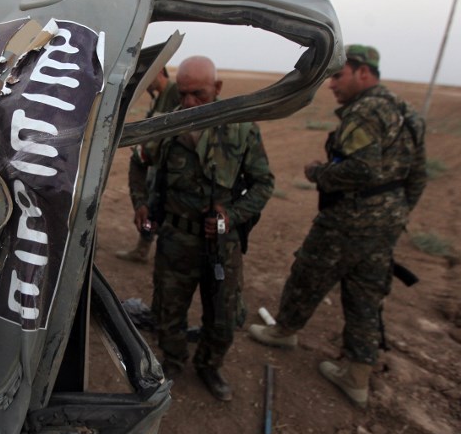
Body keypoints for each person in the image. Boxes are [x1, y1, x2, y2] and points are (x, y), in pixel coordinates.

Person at [248, 45, 427, 408]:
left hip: (348, 221)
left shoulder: (365, 111)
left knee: (309, 272)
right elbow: (418, 176)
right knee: (366, 294)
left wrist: (319, 173)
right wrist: (395, 212)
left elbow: (361, 169)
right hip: (387, 223)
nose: (331, 84)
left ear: (363, 72)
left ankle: (284, 331)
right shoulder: (406, 112)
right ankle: (357, 376)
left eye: (338, 75)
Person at [128, 56, 274, 401]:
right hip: (175, 239)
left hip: (221, 244)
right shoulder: (167, 126)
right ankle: (174, 362)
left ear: (218, 89)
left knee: (222, 315)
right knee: (168, 309)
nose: (190, 103)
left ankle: (210, 366)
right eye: (184, 94)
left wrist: (232, 215)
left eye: (199, 94)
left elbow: (263, 184)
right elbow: (138, 163)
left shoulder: (241, 129)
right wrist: (141, 203)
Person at [116, 67, 181, 263]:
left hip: (168, 163)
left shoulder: (175, 93)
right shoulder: (158, 98)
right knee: (149, 207)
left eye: (149, 78)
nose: (147, 83)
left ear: (159, 72)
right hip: (153, 162)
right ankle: (143, 247)